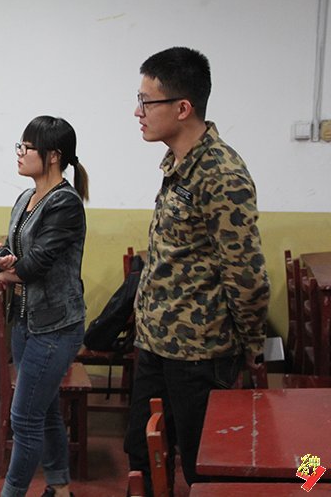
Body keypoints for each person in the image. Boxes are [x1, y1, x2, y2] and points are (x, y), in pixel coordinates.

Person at [124, 47, 269, 495]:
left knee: (202, 465)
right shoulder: (177, 163)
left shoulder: (222, 173)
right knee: (141, 454)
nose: (137, 112)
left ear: (182, 108)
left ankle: (311, 479)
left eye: (146, 101)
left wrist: (252, 346)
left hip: (200, 352)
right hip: (157, 343)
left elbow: (245, 273)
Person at [0, 116, 89, 497]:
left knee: (24, 418)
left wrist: (11, 271)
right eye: (20, 146)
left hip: (56, 326)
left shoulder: (65, 203)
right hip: (24, 320)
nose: (19, 154)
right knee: (44, 410)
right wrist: (2, 262)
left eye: (27, 147)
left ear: (53, 156)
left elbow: (36, 264)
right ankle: (60, 488)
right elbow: (12, 250)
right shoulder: (25, 198)